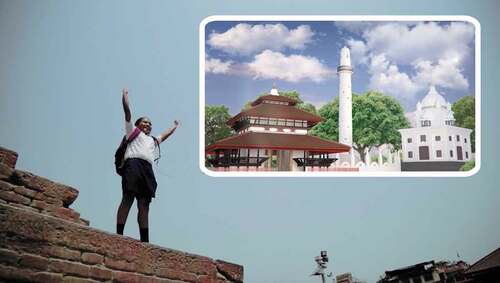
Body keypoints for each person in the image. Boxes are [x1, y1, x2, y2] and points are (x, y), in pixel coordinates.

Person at [116, 88, 179, 242]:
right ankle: (118, 234)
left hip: (147, 170)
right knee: (128, 198)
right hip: (133, 165)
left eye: (150, 124)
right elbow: (127, 113)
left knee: (144, 205)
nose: (148, 125)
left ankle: (145, 239)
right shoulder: (132, 133)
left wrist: (175, 126)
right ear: (138, 124)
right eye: (145, 122)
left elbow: (164, 135)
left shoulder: (152, 140)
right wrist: (125, 98)